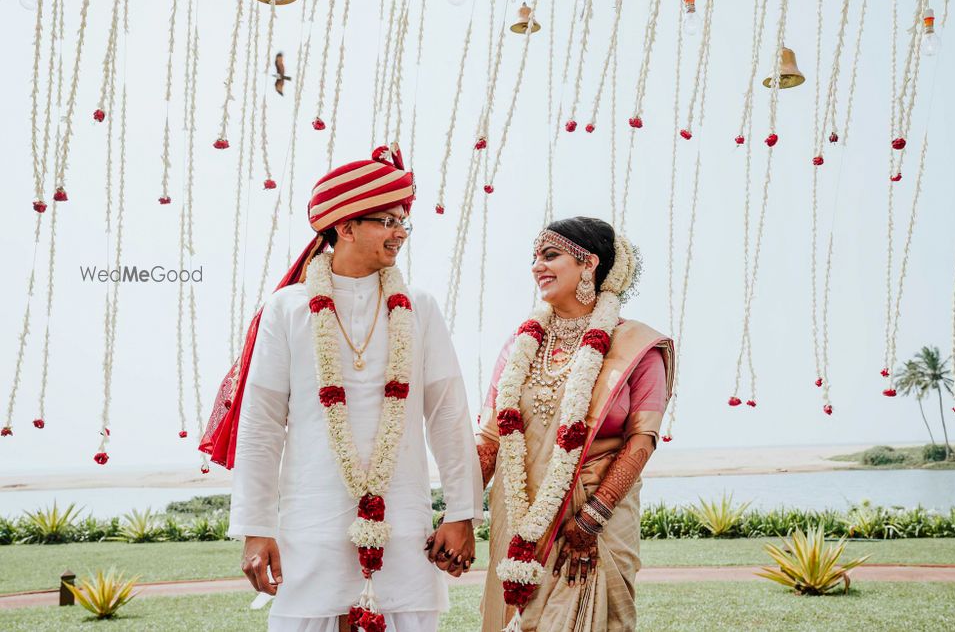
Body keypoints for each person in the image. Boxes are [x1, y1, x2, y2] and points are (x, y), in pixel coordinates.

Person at [200, 144, 482, 632]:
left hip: (403, 522)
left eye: (403, 221)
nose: (400, 233)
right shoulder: (286, 310)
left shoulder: (419, 307)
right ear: (345, 227)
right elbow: (261, 425)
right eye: (387, 221)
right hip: (312, 525)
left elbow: (448, 414)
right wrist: (255, 529)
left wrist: (461, 513)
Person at [476, 216, 674, 632]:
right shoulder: (519, 345)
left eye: (550, 255)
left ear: (590, 265)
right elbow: (492, 438)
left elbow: (641, 441)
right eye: (534, 257)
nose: (536, 267)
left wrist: (591, 518)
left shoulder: (637, 346)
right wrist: (456, 513)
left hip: (594, 524)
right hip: (520, 516)